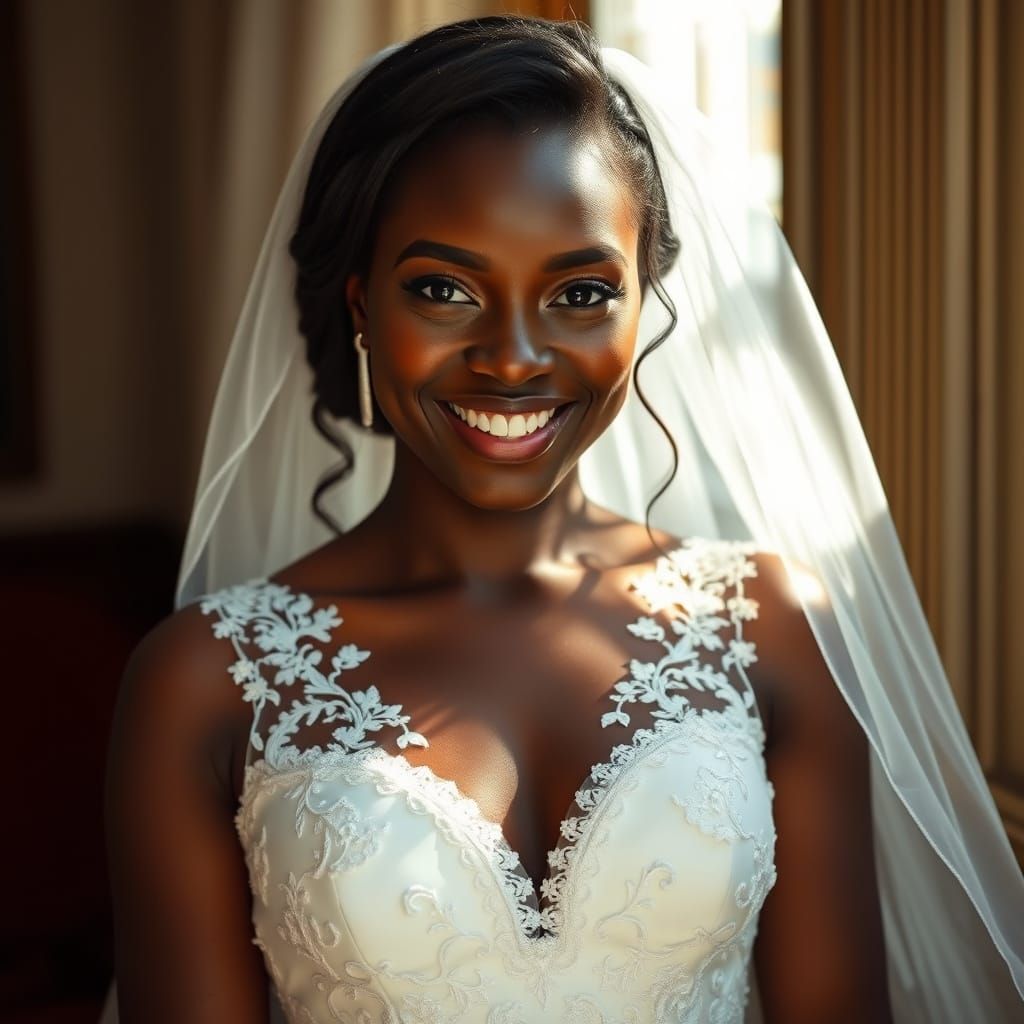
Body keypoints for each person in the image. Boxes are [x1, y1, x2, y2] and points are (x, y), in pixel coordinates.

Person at [102, 14, 1024, 1024]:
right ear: (362, 307)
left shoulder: (773, 626)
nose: (512, 358)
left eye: (580, 292)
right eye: (444, 289)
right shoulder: (202, 681)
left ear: (643, 306)